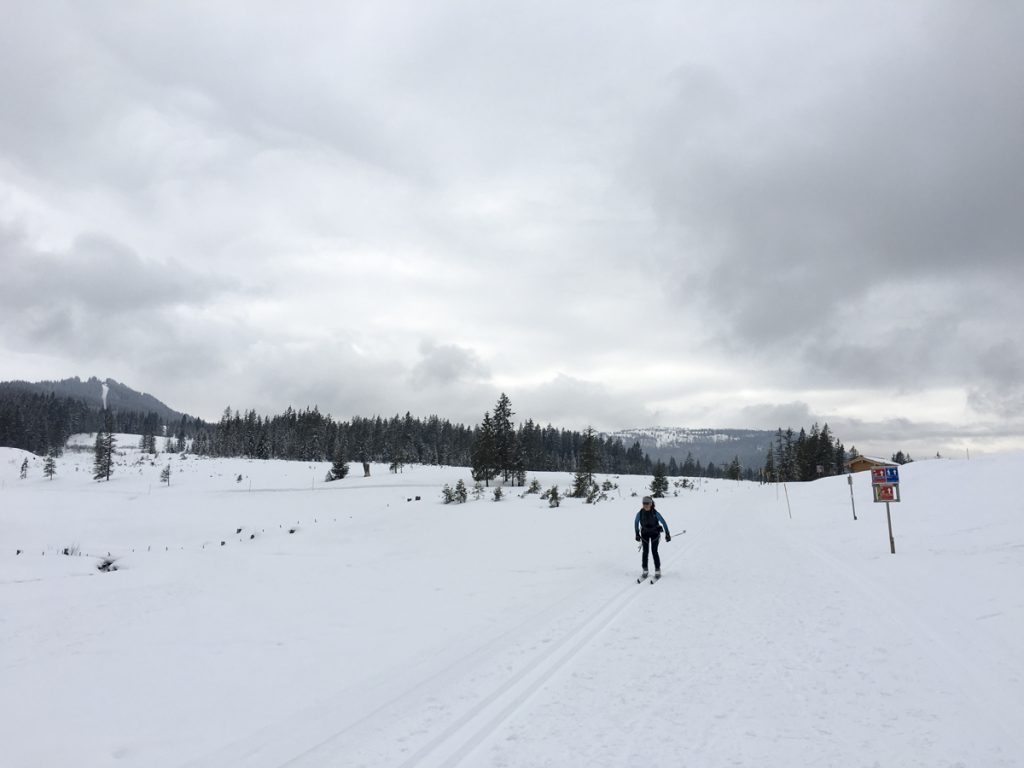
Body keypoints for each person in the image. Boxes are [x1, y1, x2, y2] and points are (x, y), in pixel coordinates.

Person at [634, 495, 671, 578]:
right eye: (644, 503)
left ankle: (657, 570)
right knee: (645, 552)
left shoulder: (655, 513)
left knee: (654, 551)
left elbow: (663, 522)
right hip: (645, 534)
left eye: (647, 503)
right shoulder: (640, 513)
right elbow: (636, 522)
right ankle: (645, 569)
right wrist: (637, 533)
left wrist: (667, 534)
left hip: (655, 534)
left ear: (651, 504)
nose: (645, 505)